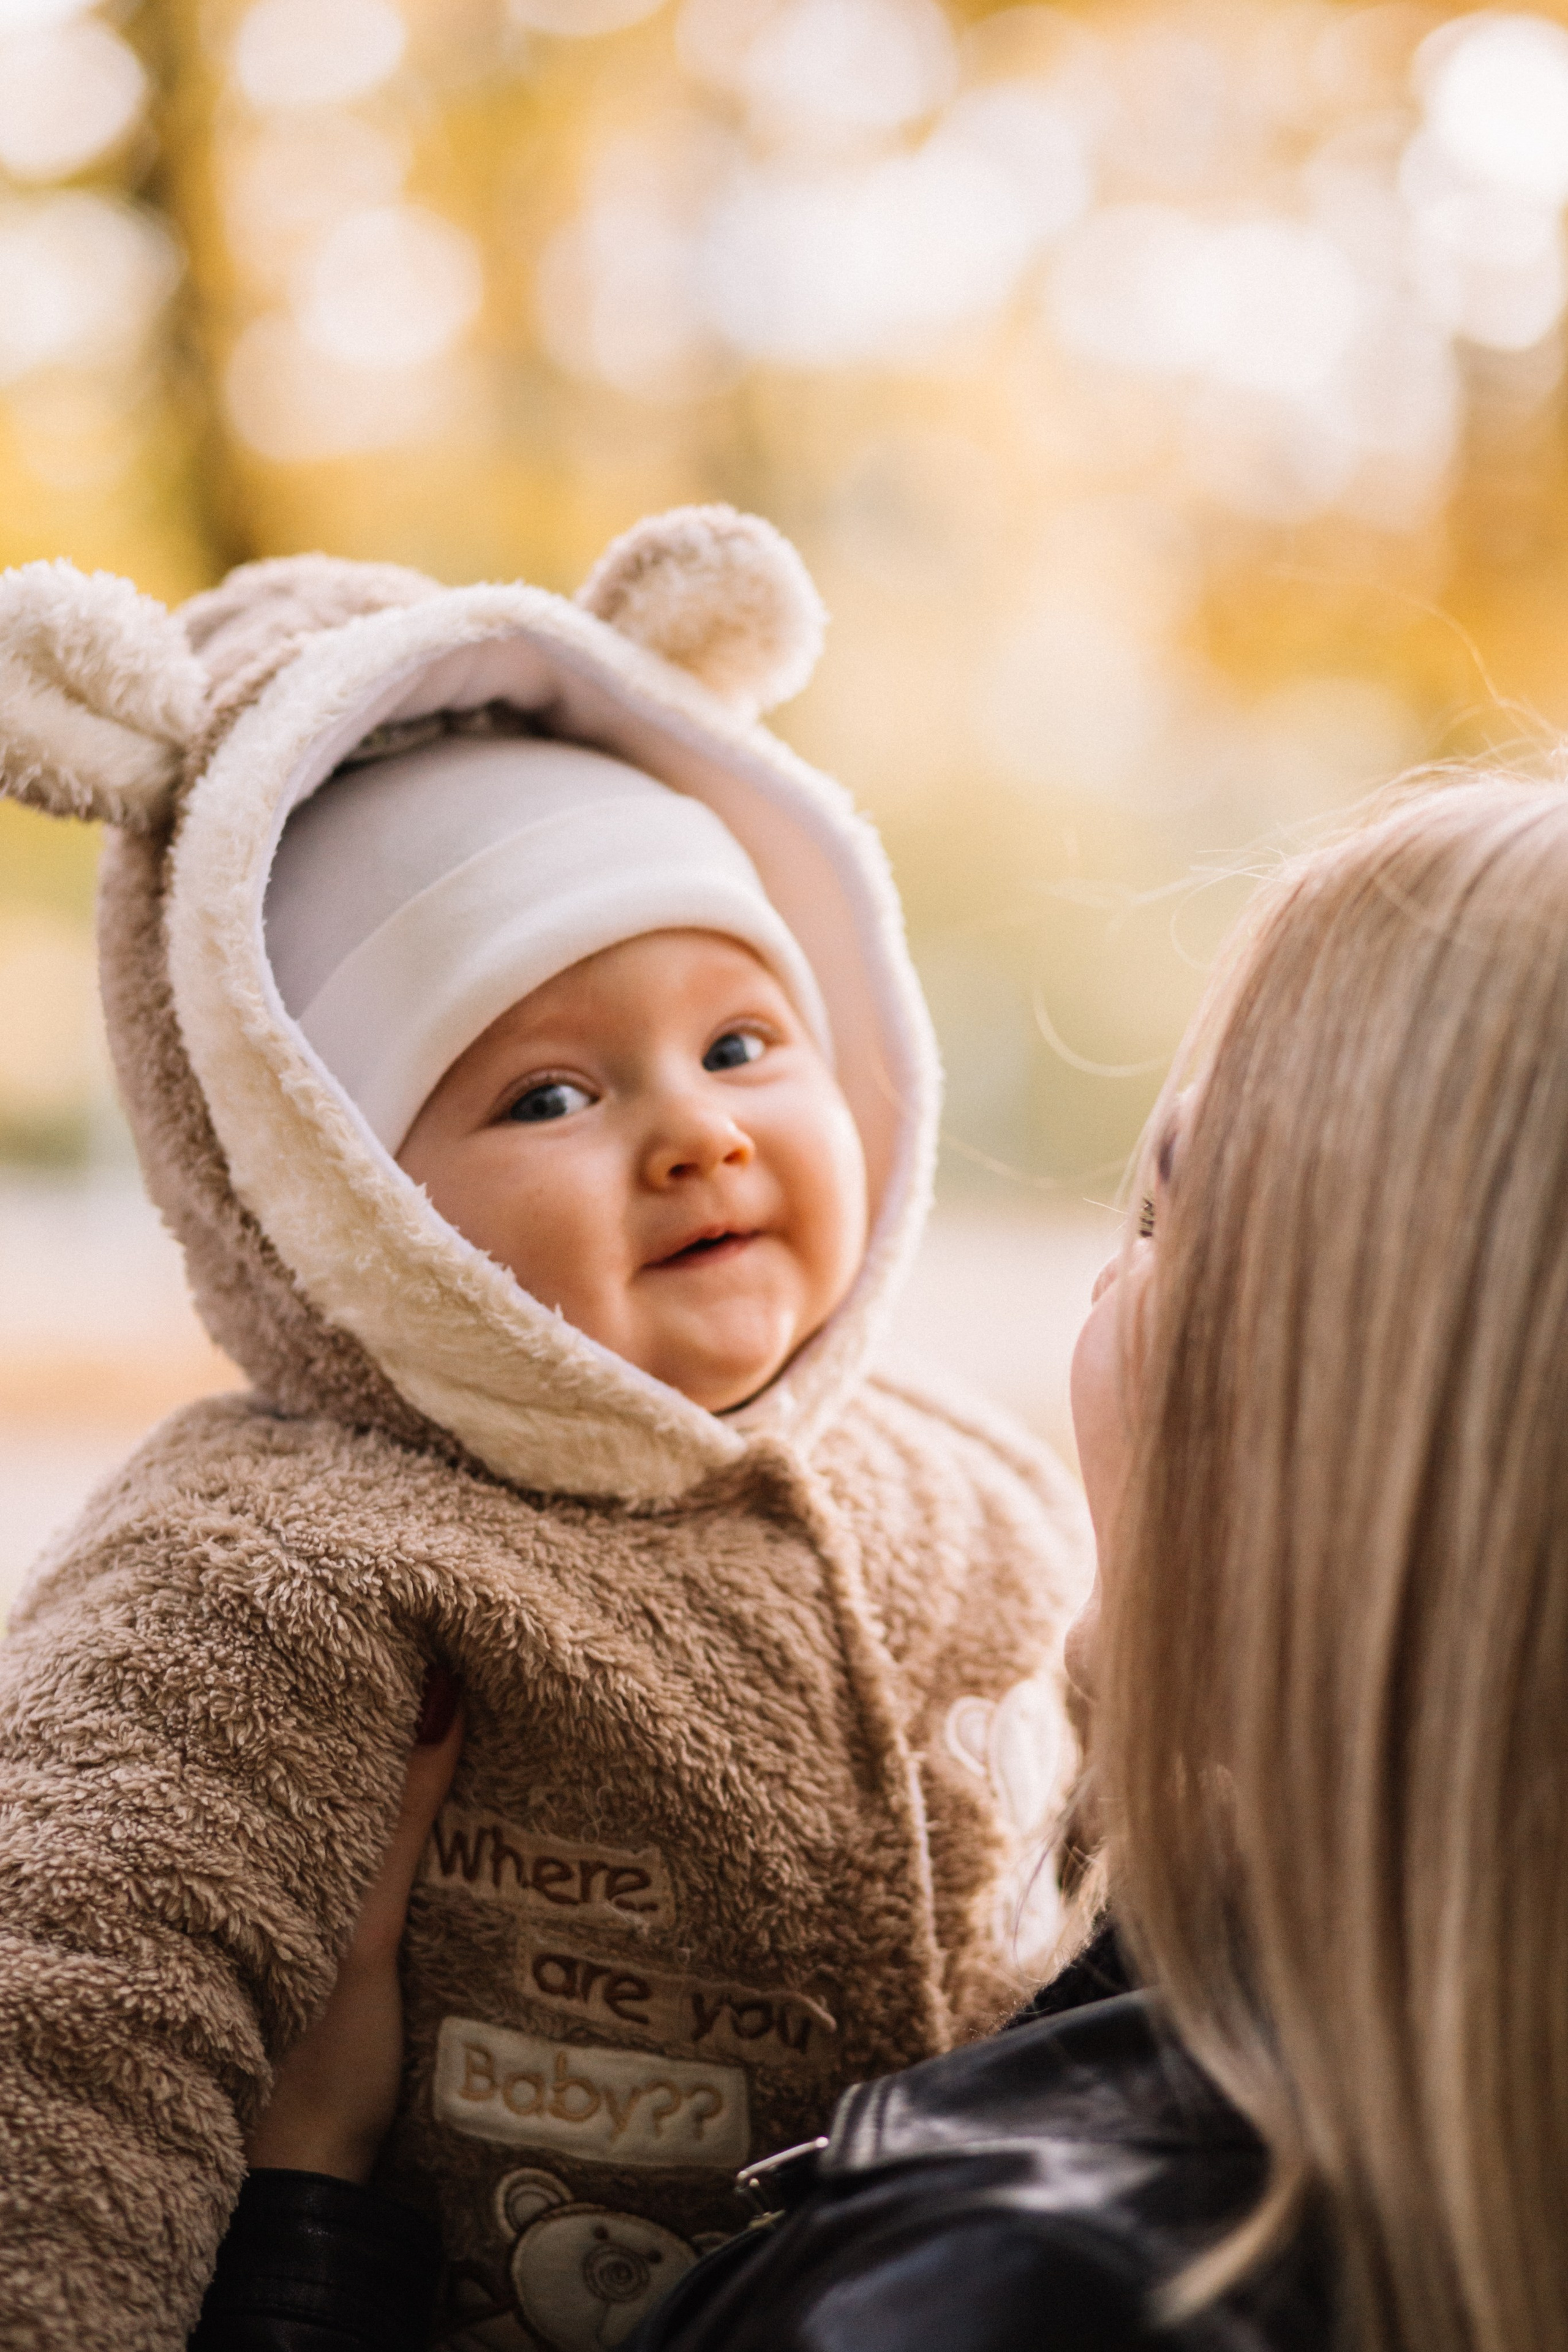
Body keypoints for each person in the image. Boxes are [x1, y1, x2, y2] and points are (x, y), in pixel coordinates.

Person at [195, 774, 1568, 2351]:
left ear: (1357, 1437)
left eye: (1164, 1222)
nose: (701, 1137)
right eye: (551, 1093)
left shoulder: (1007, 2295)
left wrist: (301, 2211)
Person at [0, 508, 1088, 2351]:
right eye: (551, 1091)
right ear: (346, 1198)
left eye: (745, 1045)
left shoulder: (971, 1488)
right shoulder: (262, 1567)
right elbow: (80, 2028)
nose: (696, 1132)